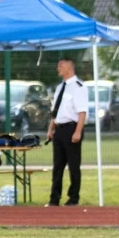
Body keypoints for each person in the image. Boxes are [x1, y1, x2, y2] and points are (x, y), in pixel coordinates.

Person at [46, 58, 88, 207]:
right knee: (57, 166)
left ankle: (73, 198)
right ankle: (54, 198)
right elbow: (55, 111)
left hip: (72, 128)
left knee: (73, 165)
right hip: (59, 129)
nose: (58, 68)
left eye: (61, 66)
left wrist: (77, 132)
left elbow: (82, 112)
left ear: (69, 68)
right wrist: (51, 129)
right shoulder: (59, 88)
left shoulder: (78, 87)